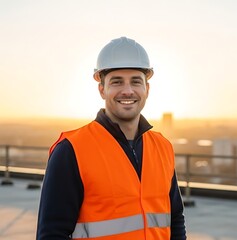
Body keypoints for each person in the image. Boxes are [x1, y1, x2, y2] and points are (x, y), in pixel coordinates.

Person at [37, 37, 187, 240]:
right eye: (117, 82)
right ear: (102, 89)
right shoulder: (72, 150)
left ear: (147, 89)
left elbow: (175, 219)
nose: (127, 90)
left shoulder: (163, 147)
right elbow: (52, 234)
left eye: (136, 81)